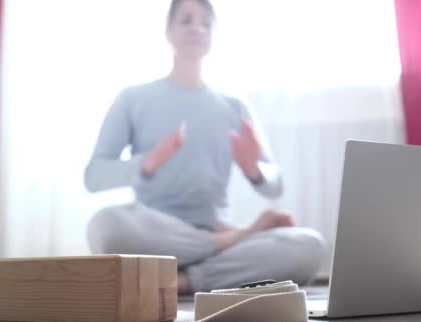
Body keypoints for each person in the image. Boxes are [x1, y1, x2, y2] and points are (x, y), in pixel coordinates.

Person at [84, 0, 325, 293]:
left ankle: (184, 281)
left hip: (216, 237)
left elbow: (275, 186)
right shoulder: (132, 99)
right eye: (186, 20)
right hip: (155, 236)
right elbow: (94, 176)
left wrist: (254, 170)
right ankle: (226, 247)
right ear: (168, 31)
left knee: (309, 246)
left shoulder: (234, 107)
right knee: (106, 226)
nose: (197, 28)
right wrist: (147, 162)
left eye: (205, 22)